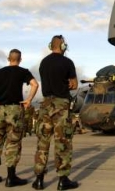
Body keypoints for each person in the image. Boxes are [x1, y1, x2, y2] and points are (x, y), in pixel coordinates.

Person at [0, 49, 39, 187]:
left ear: (8, 58)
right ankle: (11, 177)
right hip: (15, 109)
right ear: (20, 59)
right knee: (13, 142)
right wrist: (29, 99)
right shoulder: (23, 72)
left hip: (1, 109)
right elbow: (35, 84)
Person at [32, 35, 79, 190]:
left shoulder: (43, 63)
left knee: (42, 143)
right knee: (63, 143)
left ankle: (39, 179)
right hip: (61, 104)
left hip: (45, 104)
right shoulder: (67, 62)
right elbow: (74, 85)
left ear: (50, 45)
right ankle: (62, 180)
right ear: (63, 46)